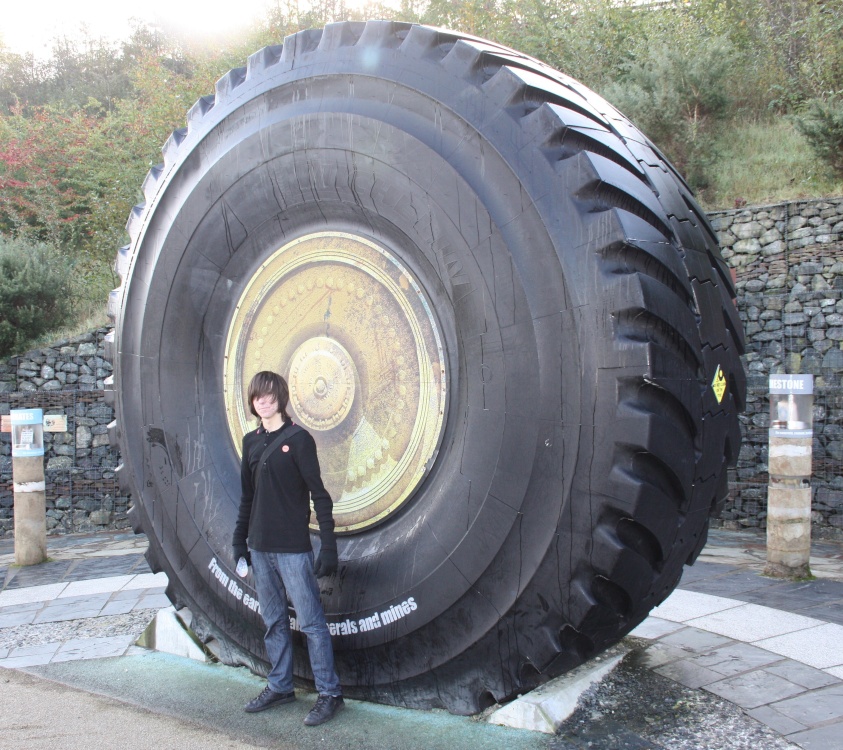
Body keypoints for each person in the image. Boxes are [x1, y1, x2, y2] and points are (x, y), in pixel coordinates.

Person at [232, 370, 343, 726]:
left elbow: (319, 495)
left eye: (268, 395)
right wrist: (239, 542)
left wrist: (328, 546)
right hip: (260, 548)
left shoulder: (299, 440)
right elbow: (247, 499)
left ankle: (330, 693)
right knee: (273, 621)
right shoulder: (251, 443)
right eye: (256, 397)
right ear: (252, 403)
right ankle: (280, 686)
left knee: (311, 622)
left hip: (293, 549)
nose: (262, 402)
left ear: (280, 396)